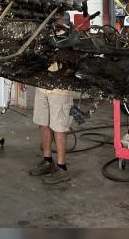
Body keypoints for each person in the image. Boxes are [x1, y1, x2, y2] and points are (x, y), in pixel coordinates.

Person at [29, 13, 76, 184]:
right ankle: (47, 161)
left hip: (60, 90)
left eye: (57, 21)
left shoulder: (70, 39)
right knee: (43, 124)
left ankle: (62, 167)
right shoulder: (44, 36)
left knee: (59, 127)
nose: (55, 24)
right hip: (42, 86)